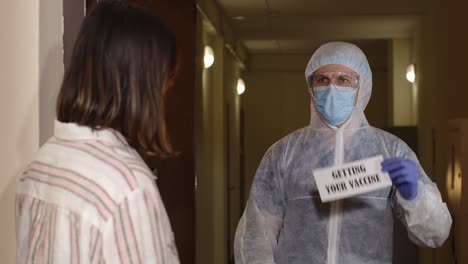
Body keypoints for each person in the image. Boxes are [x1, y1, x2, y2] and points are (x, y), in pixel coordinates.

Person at [234, 42, 452, 263]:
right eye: (322, 80)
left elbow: (435, 234)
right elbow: (257, 234)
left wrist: (415, 195)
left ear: (362, 87)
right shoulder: (283, 154)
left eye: (343, 80)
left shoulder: (391, 150)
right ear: (311, 87)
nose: (332, 88)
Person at [16, 1, 180, 263]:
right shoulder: (128, 187)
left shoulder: (38, 167)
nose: (163, 94)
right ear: (140, 84)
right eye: (162, 81)